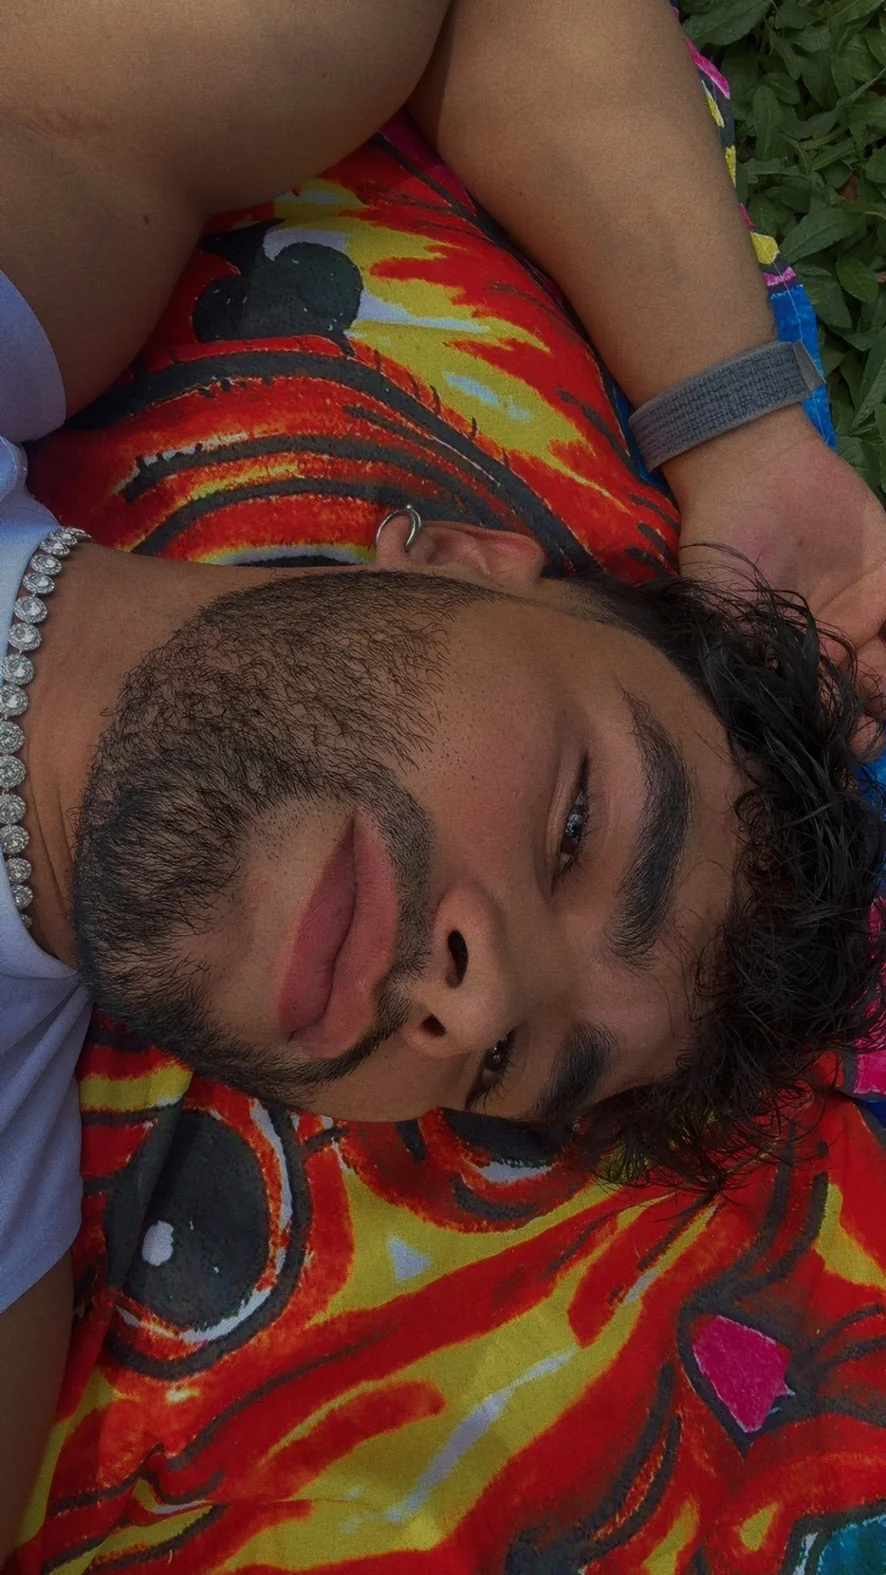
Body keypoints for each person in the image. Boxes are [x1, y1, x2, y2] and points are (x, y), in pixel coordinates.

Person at [3, 0, 886, 1557]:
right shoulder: (51, 206)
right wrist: (744, 437)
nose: (465, 1004)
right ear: (461, 559)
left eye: (501, 1067)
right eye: (575, 824)